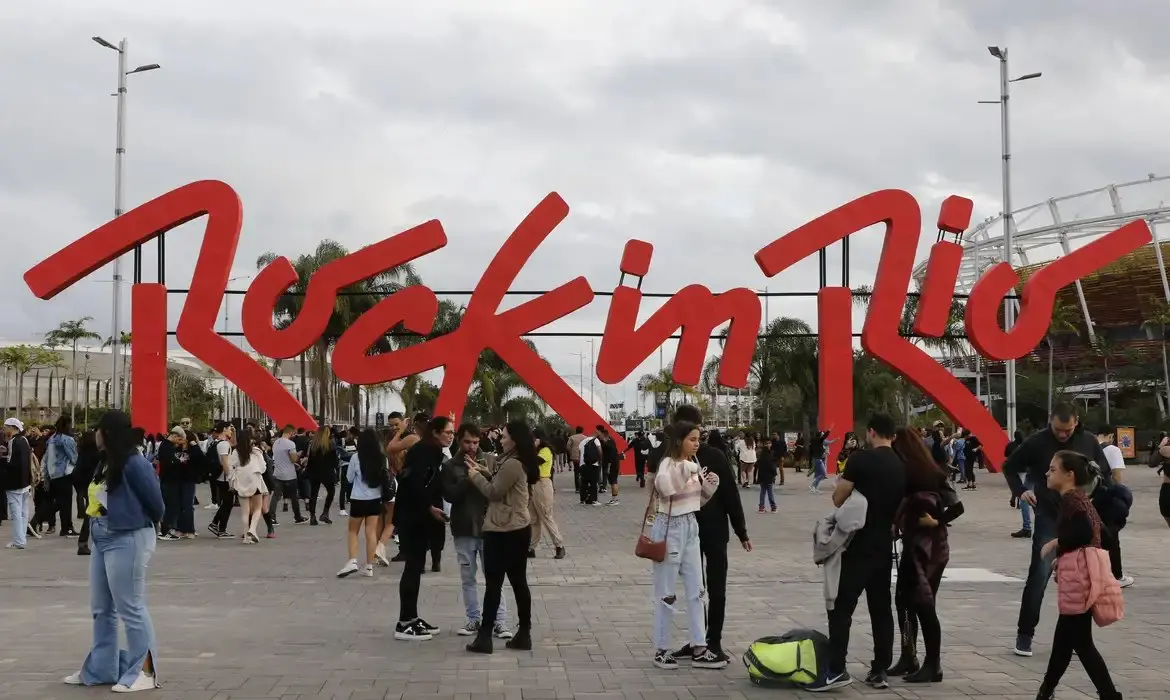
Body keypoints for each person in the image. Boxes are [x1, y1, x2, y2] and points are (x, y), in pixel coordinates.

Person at [63, 410, 165, 692]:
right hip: (102, 537)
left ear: (106, 433)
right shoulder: (106, 462)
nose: (93, 434)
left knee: (130, 606)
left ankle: (144, 671)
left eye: (97, 430)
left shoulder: (135, 463)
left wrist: (136, 520)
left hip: (128, 537)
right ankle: (102, 668)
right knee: (101, 608)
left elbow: (156, 504)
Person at [1002, 403, 1109, 658]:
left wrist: (1095, 496)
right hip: (1049, 516)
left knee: (1081, 577)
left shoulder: (1088, 441)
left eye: (1068, 430)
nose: (1063, 435)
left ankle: (1077, 638)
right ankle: (1025, 634)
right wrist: (1021, 491)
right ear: (1050, 421)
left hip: (1080, 516)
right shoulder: (1037, 442)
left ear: (1076, 422)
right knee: (1039, 574)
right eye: (1059, 430)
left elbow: (1104, 473)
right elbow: (1009, 465)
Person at [808, 414, 906, 692]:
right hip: (884, 545)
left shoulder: (860, 459)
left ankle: (837, 670)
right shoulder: (901, 464)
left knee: (841, 608)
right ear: (893, 436)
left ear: (872, 432)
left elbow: (838, 497)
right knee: (881, 608)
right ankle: (880, 670)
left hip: (857, 545)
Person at [661, 407, 750, 664]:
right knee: (695, 589)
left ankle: (714, 642)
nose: (693, 439)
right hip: (686, 534)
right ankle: (698, 641)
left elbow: (730, 495)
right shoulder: (671, 462)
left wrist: (741, 530)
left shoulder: (716, 456)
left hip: (713, 532)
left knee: (715, 587)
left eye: (694, 433)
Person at [1034, 450, 1122, 700]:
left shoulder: (1073, 499)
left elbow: (1084, 532)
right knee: (1064, 641)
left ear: (1069, 475)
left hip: (1078, 580)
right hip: (1081, 578)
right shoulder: (1081, 499)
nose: (1047, 473)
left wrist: (1056, 545)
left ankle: (1109, 695)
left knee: (1081, 643)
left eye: (1052, 469)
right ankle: (1045, 691)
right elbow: (1104, 535)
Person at [887, 427, 964, 683]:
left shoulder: (922, 475)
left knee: (923, 603)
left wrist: (936, 521)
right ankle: (909, 656)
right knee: (904, 600)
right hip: (921, 546)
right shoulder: (930, 472)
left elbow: (957, 507)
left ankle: (933, 664)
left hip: (927, 549)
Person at [647, 420, 723, 670]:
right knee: (666, 592)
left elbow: (693, 502)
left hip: (691, 526)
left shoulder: (694, 464)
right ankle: (661, 648)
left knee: (697, 590)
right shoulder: (668, 464)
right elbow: (666, 489)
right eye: (692, 439)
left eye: (698, 439)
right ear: (679, 441)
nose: (696, 443)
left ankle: (699, 646)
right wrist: (688, 469)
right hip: (669, 528)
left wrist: (708, 490)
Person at [465, 420, 540, 654]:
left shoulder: (513, 464)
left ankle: (485, 636)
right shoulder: (513, 462)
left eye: (504, 436)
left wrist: (474, 477)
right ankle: (523, 633)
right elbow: (502, 482)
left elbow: (494, 491)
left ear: (514, 440)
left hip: (502, 530)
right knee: (518, 582)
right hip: (517, 529)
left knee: (494, 585)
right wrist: (484, 471)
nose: (500, 438)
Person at [443, 424, 512, 638]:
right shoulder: (449, 466)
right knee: (468, 577)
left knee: (495, 577)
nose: (472, 447)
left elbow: (499, 491)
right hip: (463, 527)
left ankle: (499, 621)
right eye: (467, 442)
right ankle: (473, 619)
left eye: (475, 442)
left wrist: (484, 473)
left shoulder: (491, 461)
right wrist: (469, 477)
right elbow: (450, 495)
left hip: (490, 527)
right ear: (459, 441)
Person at [394, 416, 454, 641]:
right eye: (448, 432)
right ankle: (404, 622)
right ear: (436, 432)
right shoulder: (422, 451)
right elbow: (414, 484)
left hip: (421, 515)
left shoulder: (433, 451)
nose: (451, 436)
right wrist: (429, 507)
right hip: (412, 517)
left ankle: (412, 617)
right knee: (412, 567)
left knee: (417, 565)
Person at [337, 428, 390, 578]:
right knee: (371, 532)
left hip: (358, 499)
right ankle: (369, 566)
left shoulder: (355, 458)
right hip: (375, 499)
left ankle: (352, 561)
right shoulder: (382, 458)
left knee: (353, 531)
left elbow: (349, 479)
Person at [528, 426, 566, 559]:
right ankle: (531, 547)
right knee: (533, 519)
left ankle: (559, 545)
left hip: (543, 484)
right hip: (534, 485)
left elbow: (535, 462)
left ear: (539, 439)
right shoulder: (538, 450)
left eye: (533, 439)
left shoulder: (545, 451)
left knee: (546, 516)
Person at [229, 427, 269, 544]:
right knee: (257, 509)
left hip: (241, 481)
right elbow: (263, 468)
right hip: (254, 481)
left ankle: (246, 536)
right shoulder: (256, 451)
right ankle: (252, 529)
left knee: (245, 511)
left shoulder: (236, 451)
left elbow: (231, 466)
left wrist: (232, 481)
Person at [2, 418, 33, 549]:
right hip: (25, 482)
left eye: (5, 427)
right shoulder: (24, 440)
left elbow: (12, 463)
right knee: (23, 512)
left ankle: (19, 541)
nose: (4, 430)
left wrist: (3, 460)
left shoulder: (14, 442)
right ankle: (21, 539)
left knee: (16, 514)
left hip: (14, 483)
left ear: (12, 428)